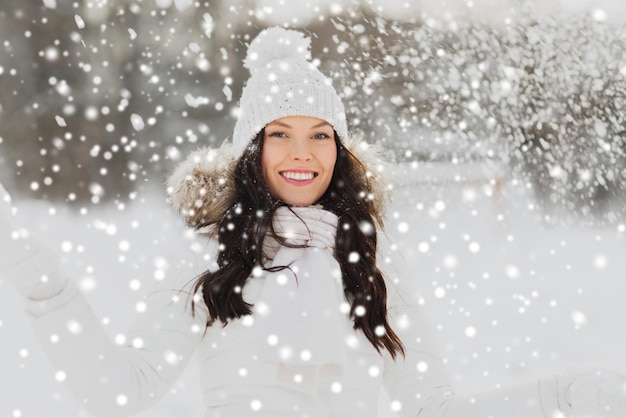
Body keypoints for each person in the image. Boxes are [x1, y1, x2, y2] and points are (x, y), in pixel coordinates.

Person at [1, 26, 625, 418]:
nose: (302, 152)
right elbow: (121, 393)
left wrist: (554, 397)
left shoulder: (371, 262)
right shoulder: (215, 258)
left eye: (320, 135)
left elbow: (431, 407)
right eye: (280, 133)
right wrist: (46, 292)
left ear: (340, 150)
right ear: (252, 150)